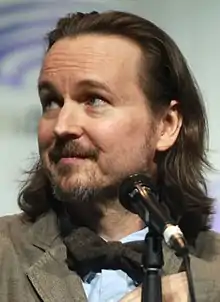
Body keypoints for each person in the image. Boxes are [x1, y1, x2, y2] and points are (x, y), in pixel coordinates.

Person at [0, 10, 220, 302]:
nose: (62, 126)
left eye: (94, 100)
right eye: (51, 101)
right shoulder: (5, 251)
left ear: (166, 126)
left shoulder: (210, 270)